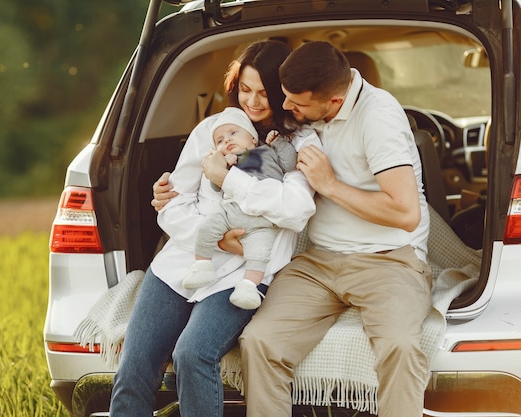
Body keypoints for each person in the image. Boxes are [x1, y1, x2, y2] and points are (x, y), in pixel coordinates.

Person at [109, 39, 318, 417]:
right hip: (184, 262)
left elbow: (295, 209)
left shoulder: (297, 144)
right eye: (245, 90)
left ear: (283, 93)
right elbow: (173, 204)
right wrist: (214, 236)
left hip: (245, 273)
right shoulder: (213, 129)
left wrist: (229, 179)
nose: (252, 102)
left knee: (192, 354)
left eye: (264, 93)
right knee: (134, 366)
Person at [236, 41, 432, 417]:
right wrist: (190, 187)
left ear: (334, 103)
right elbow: (258, 160)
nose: (286, 108)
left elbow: (406, 212)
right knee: (259, 341)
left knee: (400, 346)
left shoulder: (379, 117)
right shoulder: (303, 112)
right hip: (318, 263)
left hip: (388, 261)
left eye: (296, 103)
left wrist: (330, 186)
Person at [183, 106, 300, 309]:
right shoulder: (230, 162)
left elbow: (290, 164)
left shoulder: (267, 152)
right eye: (220, 140)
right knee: (206, 228)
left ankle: (248, 287)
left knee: (259, 254)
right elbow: (216, 187)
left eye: (233, 133)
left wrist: (278, 142)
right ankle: (202, 265)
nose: (226, 140)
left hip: (261, 220)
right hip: (230, 212)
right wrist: (221, 167)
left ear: (253, 138)